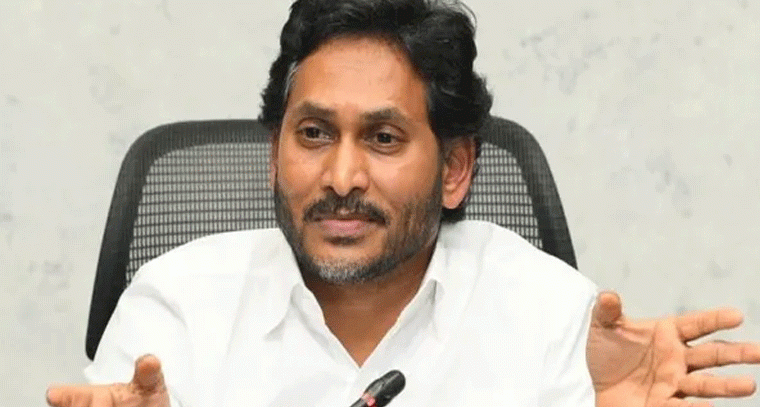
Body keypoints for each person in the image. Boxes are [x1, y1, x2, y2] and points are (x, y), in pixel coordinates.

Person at [47, 0, 760, 406]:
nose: (342, 176)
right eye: (314, 133)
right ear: (274, 152)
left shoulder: (549, 317)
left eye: (383, 138)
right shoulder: (175, 309)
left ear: (455, 168)